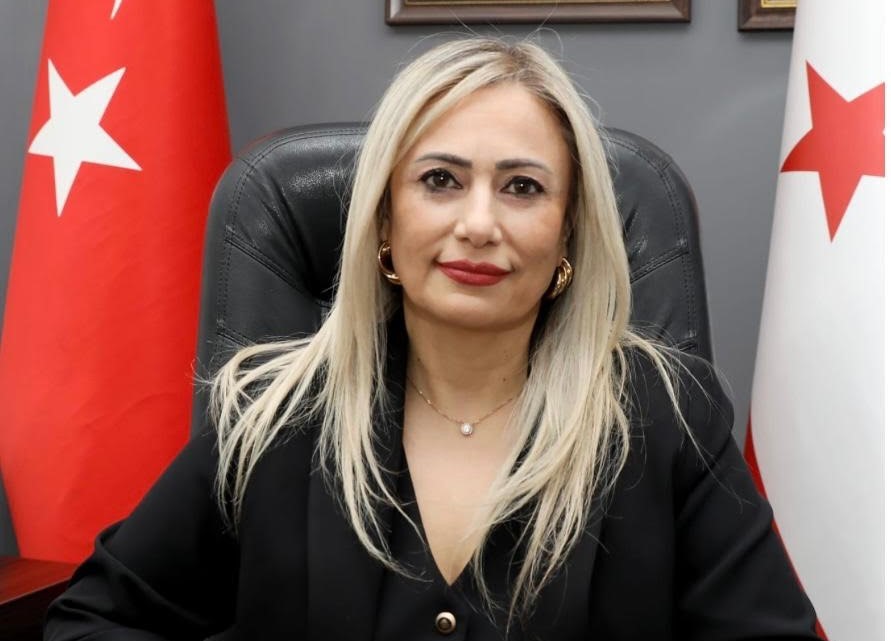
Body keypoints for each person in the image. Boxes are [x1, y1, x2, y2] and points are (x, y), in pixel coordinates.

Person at [44, 37, 820, 640]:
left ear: (568, 236)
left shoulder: (665, 415)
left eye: (522, 187)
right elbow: (93, 620)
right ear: (383, 225)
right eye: (439, 180)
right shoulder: (274, 415)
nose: (477, 223)